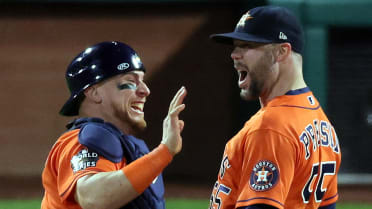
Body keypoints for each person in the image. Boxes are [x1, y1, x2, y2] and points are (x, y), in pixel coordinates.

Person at [208, 5, 341, 209]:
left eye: (247, 45)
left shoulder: (271, 127)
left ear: (281, 51)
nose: (234, 54)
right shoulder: (321, 123)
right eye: (235, 46)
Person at [41, 41, 187, 209]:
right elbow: (92, 197)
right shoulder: (80, 140)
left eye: (142, 81)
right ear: (94, 92)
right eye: (130, 82)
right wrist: (165, 151)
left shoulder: (123, 146)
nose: (145, 90)